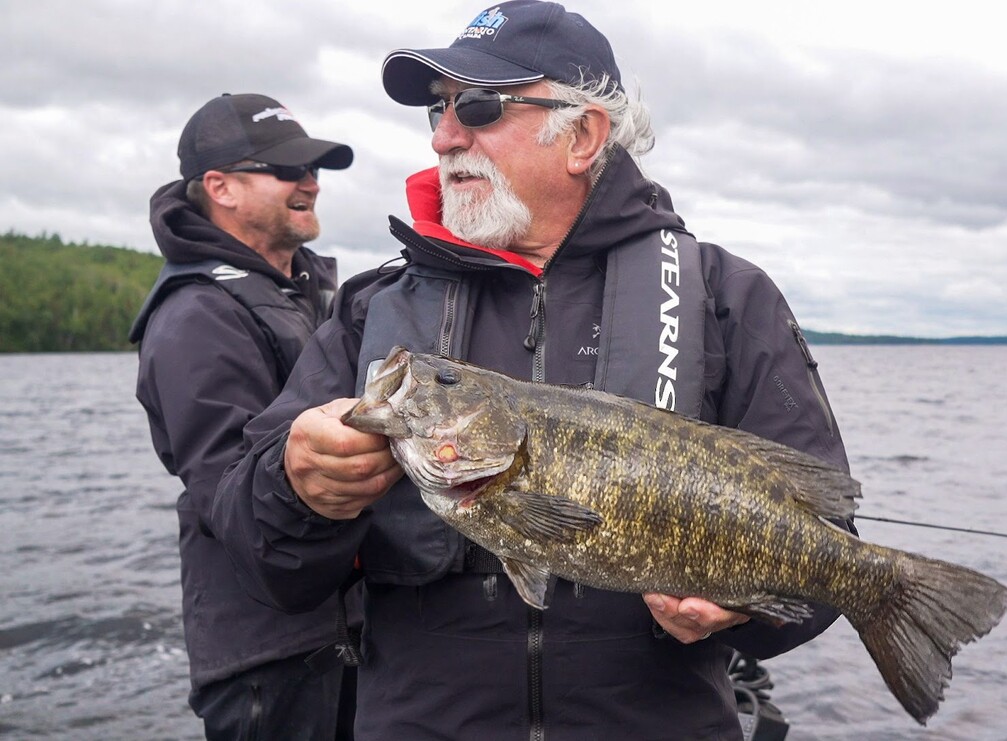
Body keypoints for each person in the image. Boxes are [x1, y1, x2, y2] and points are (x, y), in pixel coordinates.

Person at [212, 3, 855, 739]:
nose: (446, 136)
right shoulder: (371, 313)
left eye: (478, 107)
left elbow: (825, 545)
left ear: (582, 135)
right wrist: (294, 484)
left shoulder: (726, 297)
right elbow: (255, 551)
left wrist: (742, 605)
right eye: (437, 110)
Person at [129, 93, 359, 740]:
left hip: (349, 642)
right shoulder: (194, 316)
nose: (310, 181)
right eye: (286, 168)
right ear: (220, 187)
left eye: (314, 168)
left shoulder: (311, 292)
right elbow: (239, 505)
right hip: (274, 666)